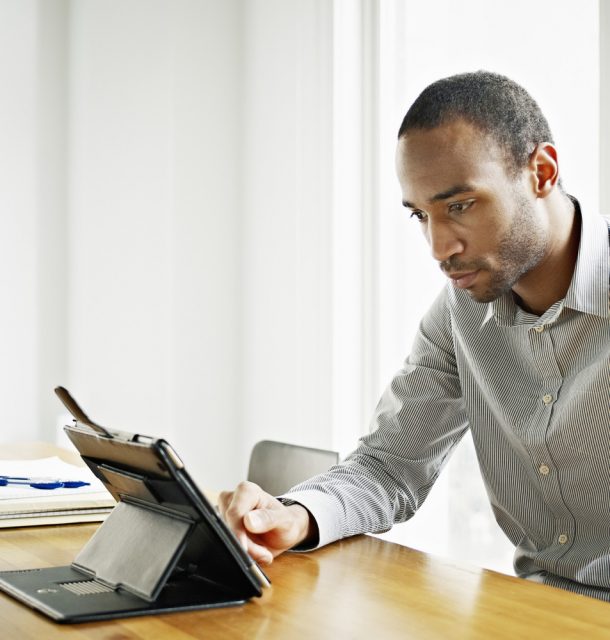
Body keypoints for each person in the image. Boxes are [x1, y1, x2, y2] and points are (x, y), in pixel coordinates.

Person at [219, 71, 610, 600]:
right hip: (534, 612)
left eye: (460, 205)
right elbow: (390, 465)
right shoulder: (461, 314)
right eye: (420, 215)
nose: (439, 246)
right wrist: (294, 515)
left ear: (541, 172)